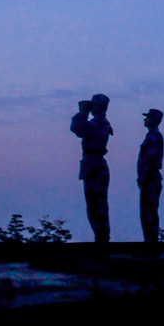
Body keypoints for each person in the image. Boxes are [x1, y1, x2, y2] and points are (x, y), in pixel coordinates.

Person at [70, 93, 113, 248]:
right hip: (95, 164)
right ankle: (101, 237)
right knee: (97, 204)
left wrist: (82, 113)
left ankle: (101, 238)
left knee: (95, 205)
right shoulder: (101, 122)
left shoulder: (98, 122)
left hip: (94, 166)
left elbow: (77, 128)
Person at [137, 108, 164, 245]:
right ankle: (150, 242)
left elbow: (150, 159)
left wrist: (144, 177)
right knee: (148, 212)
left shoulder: (153, 137)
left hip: (150, 179)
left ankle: (150, 244)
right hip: (150, 179)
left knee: (148, 212)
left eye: (148, 117)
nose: (145, 119)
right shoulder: (152, 136)